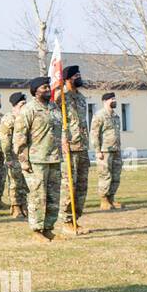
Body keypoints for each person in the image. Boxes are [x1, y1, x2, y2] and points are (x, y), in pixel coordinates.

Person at [13, 76, 63, 243]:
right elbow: (19, 137)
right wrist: (23, 161)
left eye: (48, 87)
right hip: (37, 160)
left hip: (54, 158)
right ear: (35, 91)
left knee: (53, 196)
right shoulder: (29, 109)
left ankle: (48, 228)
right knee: (38, 197)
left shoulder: (54, 107)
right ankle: (36, 230)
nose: (48, 90)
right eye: (44, 88)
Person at [59, 65, 91, 235]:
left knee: (81, 186)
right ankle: (66, 221)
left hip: (82, 147)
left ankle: (75, 220)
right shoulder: (60, 97)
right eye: (76, 75)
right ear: (68, 78)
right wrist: (61, 139)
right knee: (68, 186)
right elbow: (54, 120)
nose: (79, 77)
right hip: (68, 147)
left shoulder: (81, 98)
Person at [90, 91, 124, 210]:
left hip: (116, 149)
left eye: (115, 99)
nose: (114, 101)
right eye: (111, 99)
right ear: (105, 101)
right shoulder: (99, 115)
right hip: (104, 151)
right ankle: (104, 200)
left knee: (116, 175)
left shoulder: (115, 116)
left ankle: (111, 199)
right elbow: (94, 134)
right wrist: (97, 150)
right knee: (105, 175)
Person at [0, 92, 29, 219]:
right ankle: (16, 206)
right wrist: (8, 157)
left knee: (25, 182)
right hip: (14, 155)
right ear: (15, 105)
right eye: (22, 104)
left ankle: (24, 205)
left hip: (26, 155)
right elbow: (5, 139)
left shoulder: (26, 116)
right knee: (15, 182)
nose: (25, 106)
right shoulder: (9, 118)